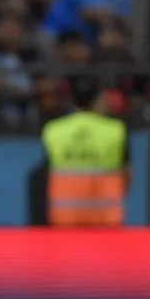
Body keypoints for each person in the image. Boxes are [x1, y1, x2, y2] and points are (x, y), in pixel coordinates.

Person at [42, 74, 130, 227]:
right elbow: (128, 175)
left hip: (64, 222)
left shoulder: (53, 130)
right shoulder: (116, 130)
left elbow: (45, 175)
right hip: (106, 222)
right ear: (97, 99)